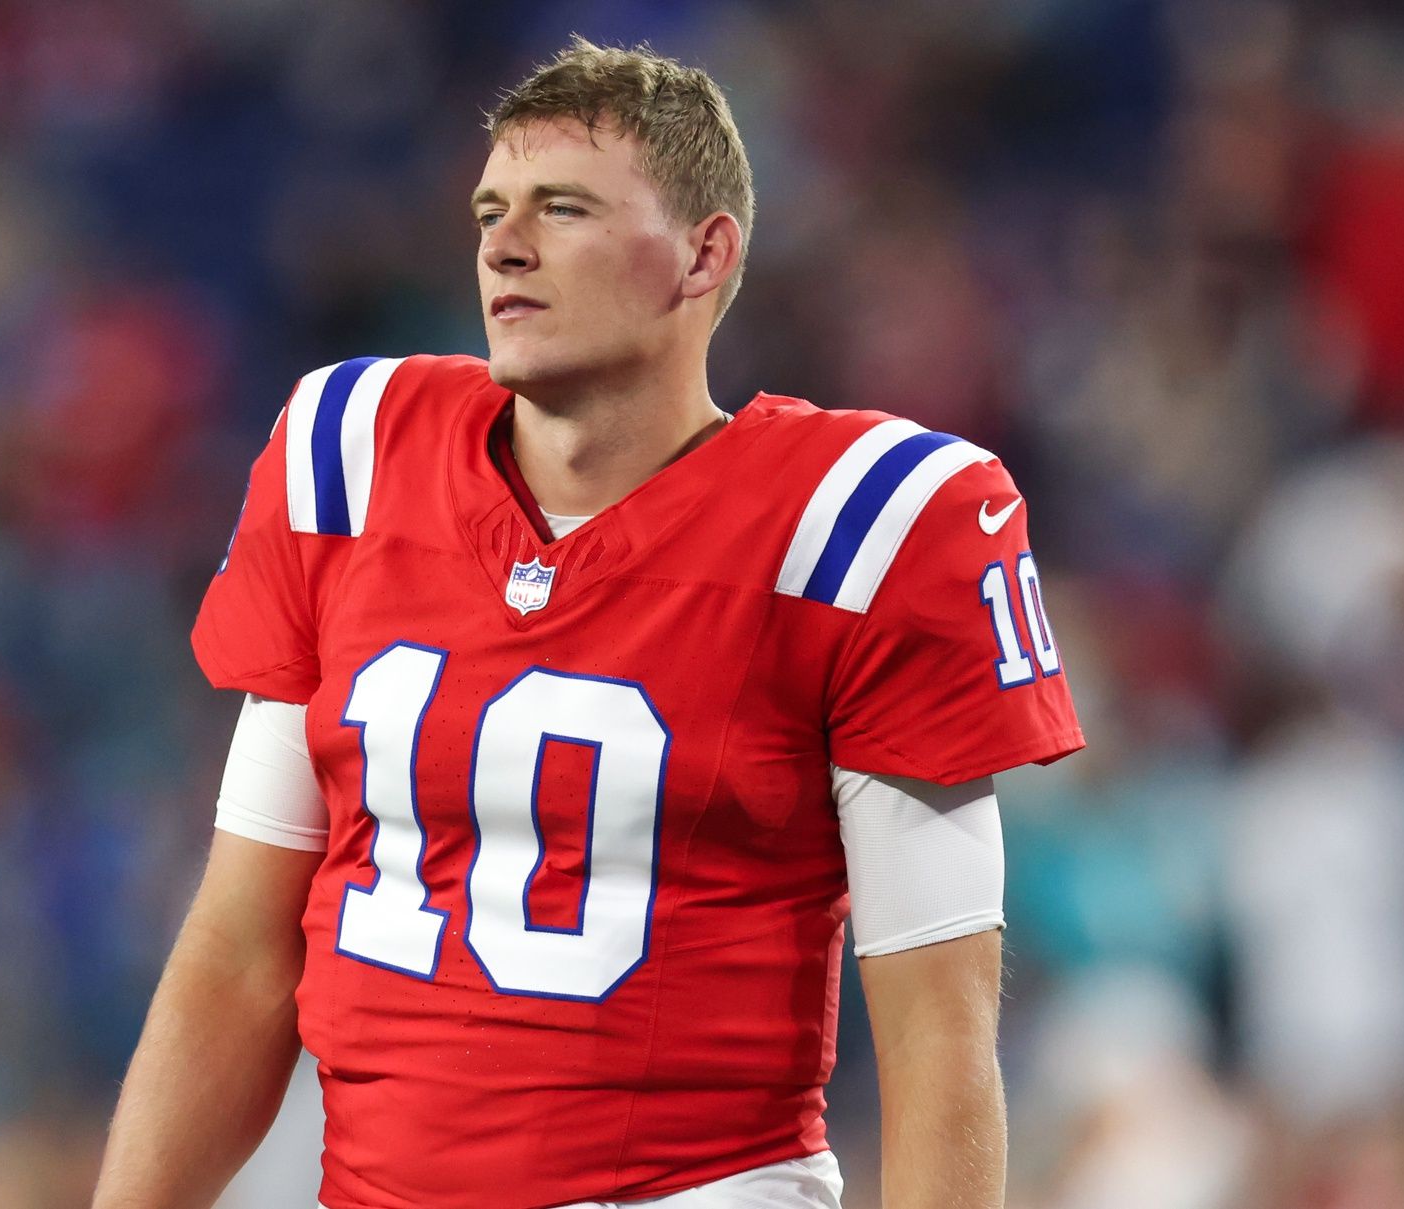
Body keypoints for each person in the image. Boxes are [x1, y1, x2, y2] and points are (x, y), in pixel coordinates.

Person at [92, 36, 1082, 1209]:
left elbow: (937, 1035)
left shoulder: (868, 523)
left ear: (704, 255)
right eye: (489, 210)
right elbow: (243, 952)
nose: (504, 245)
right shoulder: (350, 455)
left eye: (562, 207)